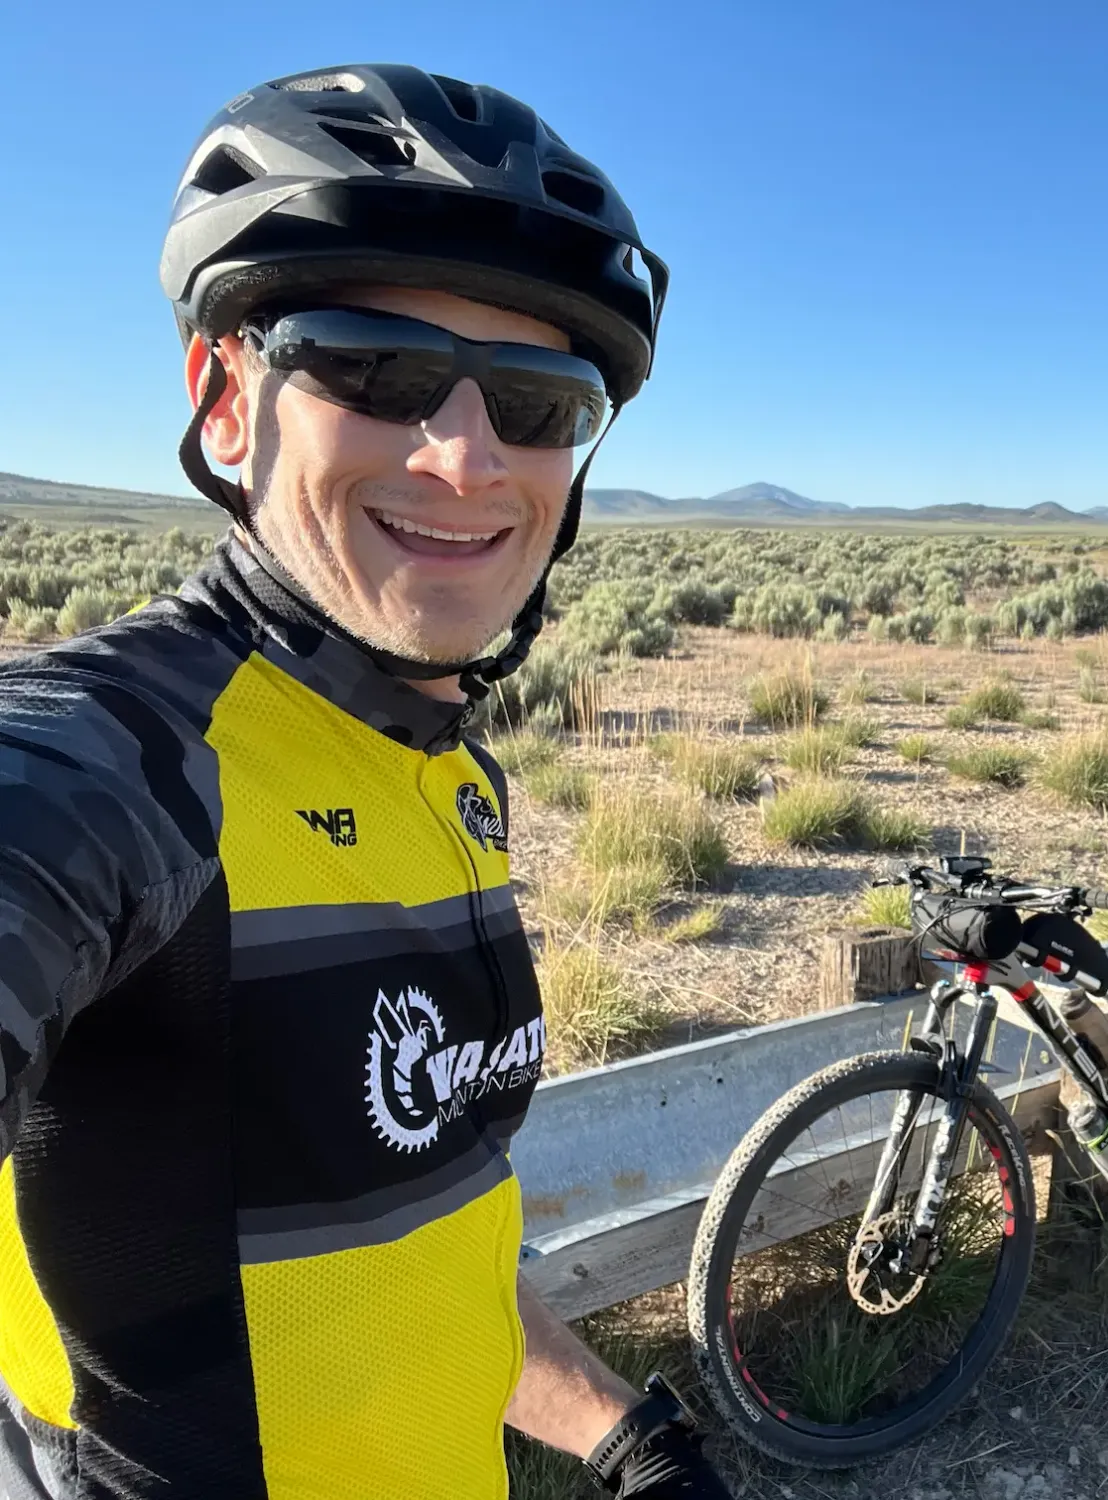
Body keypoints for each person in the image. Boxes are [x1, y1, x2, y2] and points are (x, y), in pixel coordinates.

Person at [0, 64, 731, 1499]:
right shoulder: (124, 761)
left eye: (533, 400)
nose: (463, 454)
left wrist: (617, 1428)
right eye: (373, 368)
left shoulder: (446, 778)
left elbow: (415, 1232)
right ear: (226, 403)